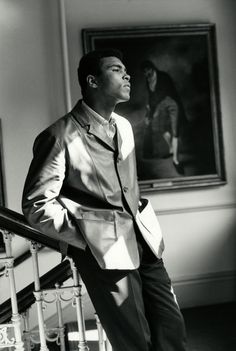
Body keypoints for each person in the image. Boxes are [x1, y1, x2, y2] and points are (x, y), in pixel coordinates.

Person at [22, 49, 187, 351]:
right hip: (107, 255)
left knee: (172, 329)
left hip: (145, 243)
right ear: (92, 81)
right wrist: (88, 238)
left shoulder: (123, 126)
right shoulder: (60, 137)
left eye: (126, 69)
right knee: (136, 341)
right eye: (116, 69)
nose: (127, 75)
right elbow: (37, 205)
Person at [140, 60, 186, 177]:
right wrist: (149, 112)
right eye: (144, 72)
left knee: (175, 131)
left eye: (148, 70)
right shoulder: (148, 80)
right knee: (161, 128)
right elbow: (151, 97)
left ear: (152, 68)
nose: (147, 73)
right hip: (160, 107)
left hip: (172, 105)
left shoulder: (163, 77)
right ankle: (171, 149)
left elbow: (163, 94)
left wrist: (153, 110)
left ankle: (176, 160)